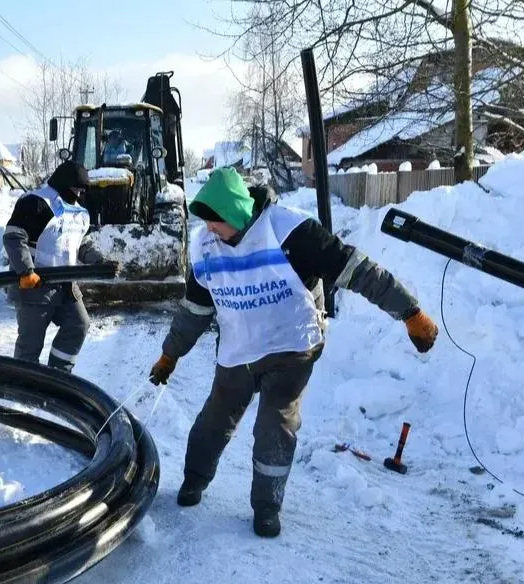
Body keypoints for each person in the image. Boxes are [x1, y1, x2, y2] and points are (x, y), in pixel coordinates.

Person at [147, 167, 439, 537]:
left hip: (292, 348)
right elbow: (195, 311)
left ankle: (267, 507)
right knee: (214, 421)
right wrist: (170, 354)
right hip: (239, 349)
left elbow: (357, 271)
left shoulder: (290, 231)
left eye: (215, 221)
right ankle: (194, 480)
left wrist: (409, 312)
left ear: (235, 213)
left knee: (275, 427)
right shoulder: (206, 247)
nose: (209, 229)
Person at [2, 160, 105, 373]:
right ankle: (24, 384)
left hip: (67, 286)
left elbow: (80, 243)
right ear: (64, 183)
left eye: (81, 190)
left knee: (79, 324)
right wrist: (26, 270)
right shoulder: (37, 203)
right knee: (30, 344)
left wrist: (98, 260)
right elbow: (14, 237)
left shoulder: (78, 212)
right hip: (36, 287)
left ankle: (59, 374)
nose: (78, 194)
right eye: (76, 189)